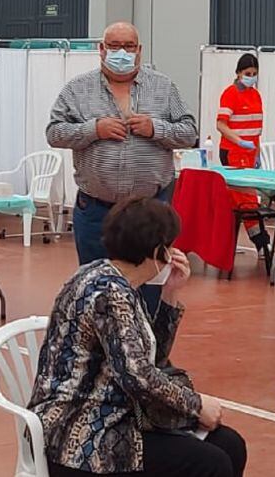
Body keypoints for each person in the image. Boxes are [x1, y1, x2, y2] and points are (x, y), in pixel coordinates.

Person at [29, 198, 247, 477]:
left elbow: (151, 357)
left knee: (230, 444)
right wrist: (197, 405)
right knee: (210, 463)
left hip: (117, 417)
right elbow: (139, 376)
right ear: (159, 250)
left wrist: (170, 295)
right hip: (82, 436)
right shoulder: (109, 293)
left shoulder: (114, 278)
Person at [46, 21, 197, 312]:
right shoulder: (77, 90)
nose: (122, 53)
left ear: (139, 50)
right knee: (96, 291)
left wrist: (156, 129)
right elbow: (54, 133)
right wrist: (94, 130)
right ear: (101, 50)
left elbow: (190, 133)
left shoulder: (164, 88)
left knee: (151, 290)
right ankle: (99, 353)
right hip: (96, 210)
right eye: (114, 46)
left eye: (128, 46)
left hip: (150, 211)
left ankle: (150, 352)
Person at [215, 53, 271, 261]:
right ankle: (261, 242)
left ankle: (225, 242)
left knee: (236, 201)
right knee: (246, 200)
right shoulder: (230, 94)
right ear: (238, 73)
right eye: (248, 73)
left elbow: (256, 127)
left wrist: (256, 151)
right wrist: (239, 141)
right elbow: (221, 125)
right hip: (233, 152)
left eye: (255, 74)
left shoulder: (255, 95)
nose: (251, 77)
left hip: (249, 153)